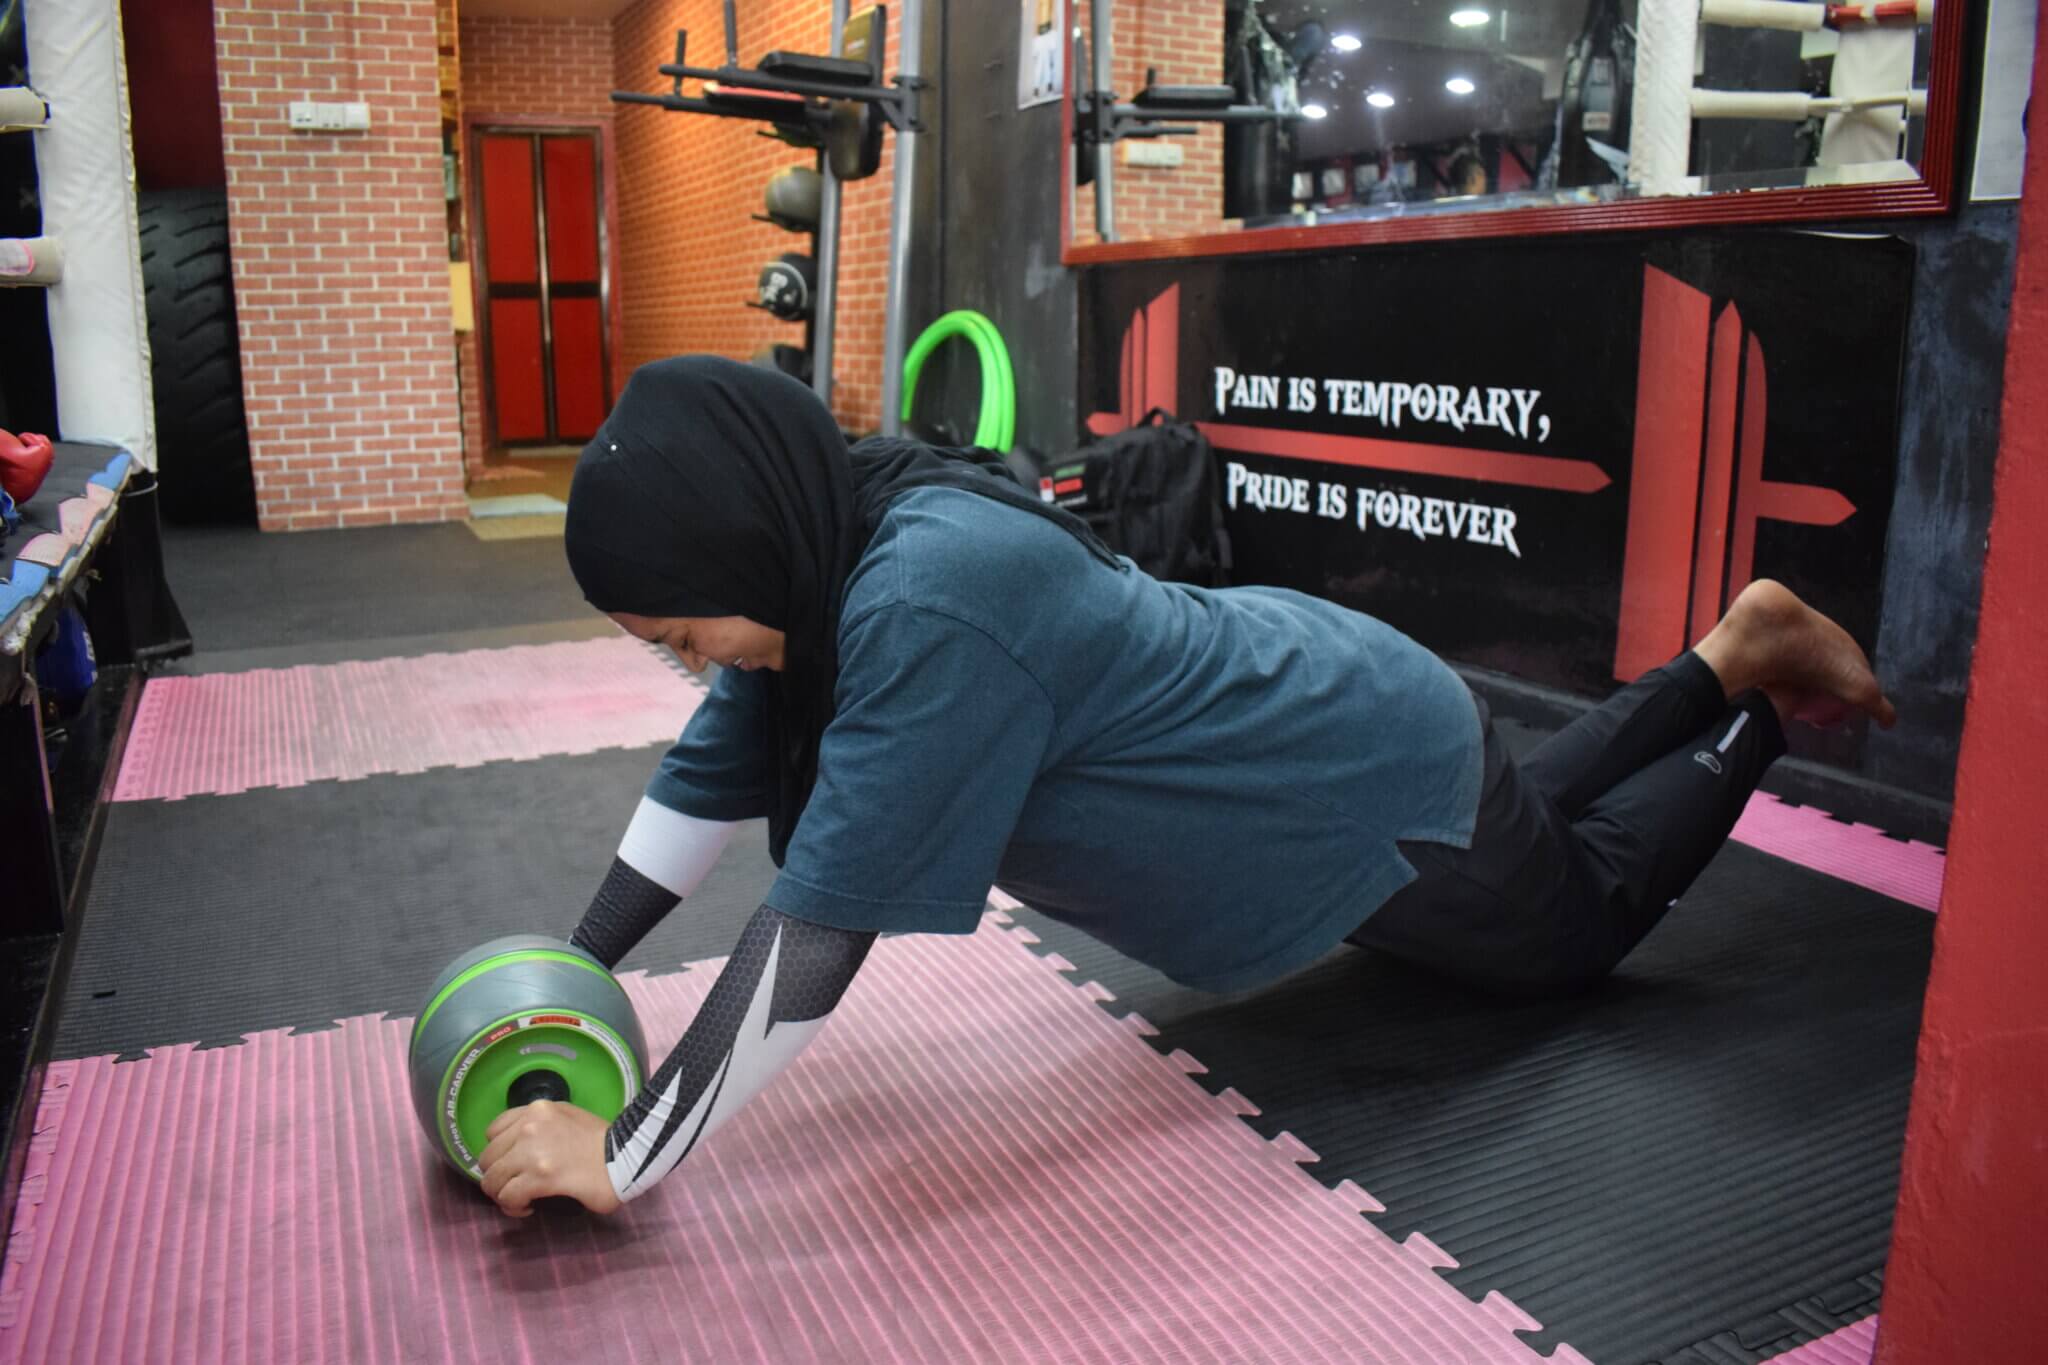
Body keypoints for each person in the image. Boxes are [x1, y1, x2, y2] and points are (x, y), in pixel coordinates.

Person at [474, 356, 1896, 1217]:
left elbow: (815, 935)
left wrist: (629, 1146)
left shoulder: (927, 602)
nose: (691, 663)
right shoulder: (811, 547)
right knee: (1515, 823)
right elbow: (705, 781)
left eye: (679, 633)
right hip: (1358, 734)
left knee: (1569, 926)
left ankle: (1753, 701)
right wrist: (560, 977)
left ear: (728, 561)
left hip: (1354, 780)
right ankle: (1727, 650)